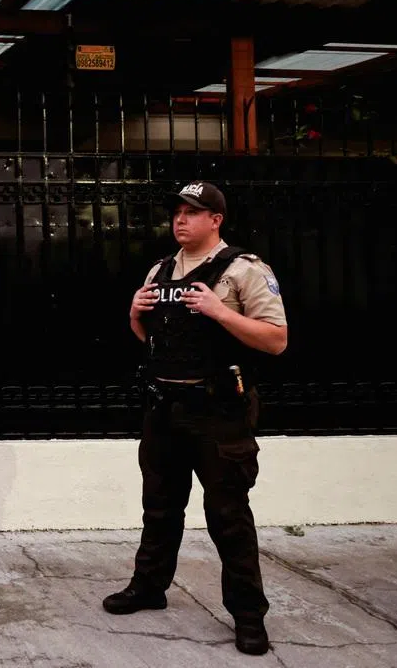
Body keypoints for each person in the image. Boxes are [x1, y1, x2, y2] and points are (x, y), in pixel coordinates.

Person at [103, 180, 288, 656]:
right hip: (164, 408)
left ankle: (248, 615)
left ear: (215, 220)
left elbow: (275, 339)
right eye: (177, 212)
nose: (180, 220)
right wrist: (134, 315)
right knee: (159, 508)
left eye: (192, 212)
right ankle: (149, 587)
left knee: (228, 516)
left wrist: (217, 310)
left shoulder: (244, 271)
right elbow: (150, 338)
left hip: (219, 414)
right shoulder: (161, 269)